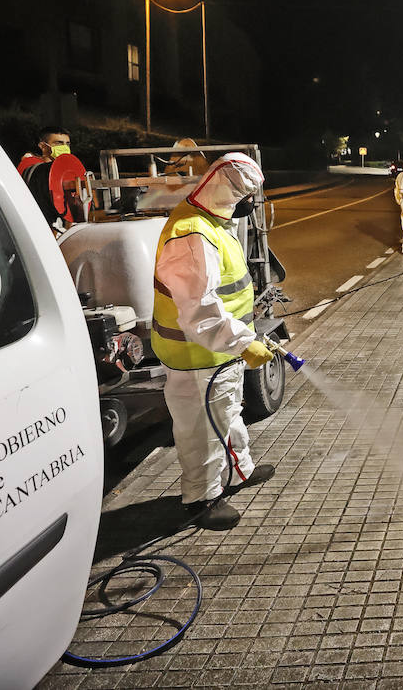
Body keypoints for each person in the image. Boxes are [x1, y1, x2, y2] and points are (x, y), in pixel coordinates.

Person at [151, 152, 275, 530]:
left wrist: (239, 342)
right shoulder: (192, 236)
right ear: (225, 191)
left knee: (226, 413)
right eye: (240, 198)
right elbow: (199, 312)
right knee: (201, 429)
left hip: (219, 352)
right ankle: (201, 499)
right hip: (197, 356)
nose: (245, 207)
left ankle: (240, 471)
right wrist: (243, 342)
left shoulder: (211, 222)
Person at [17, 126, 87, 234]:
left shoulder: (67, 172)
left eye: (67, 144)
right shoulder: (31, 165)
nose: (64, 147)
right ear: (43, 146)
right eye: (58, 143)